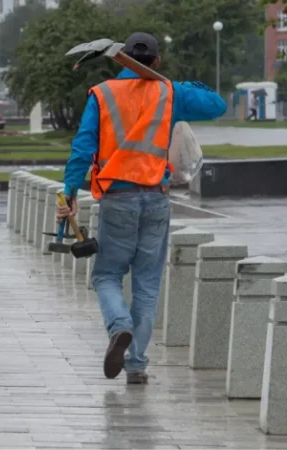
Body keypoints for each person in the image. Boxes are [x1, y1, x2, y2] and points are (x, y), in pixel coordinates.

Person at [56, 32, 226, 385]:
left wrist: (70, 191)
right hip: (156, 197)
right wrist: (175, 85)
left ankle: (119, 327)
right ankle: (136, 366)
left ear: (122, 60)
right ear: (157, 62)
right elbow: (216, 104)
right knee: (147, 286)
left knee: (106, 276)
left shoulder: (102, 95)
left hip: (117, 198)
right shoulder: (169, 93)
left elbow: (83, 148)